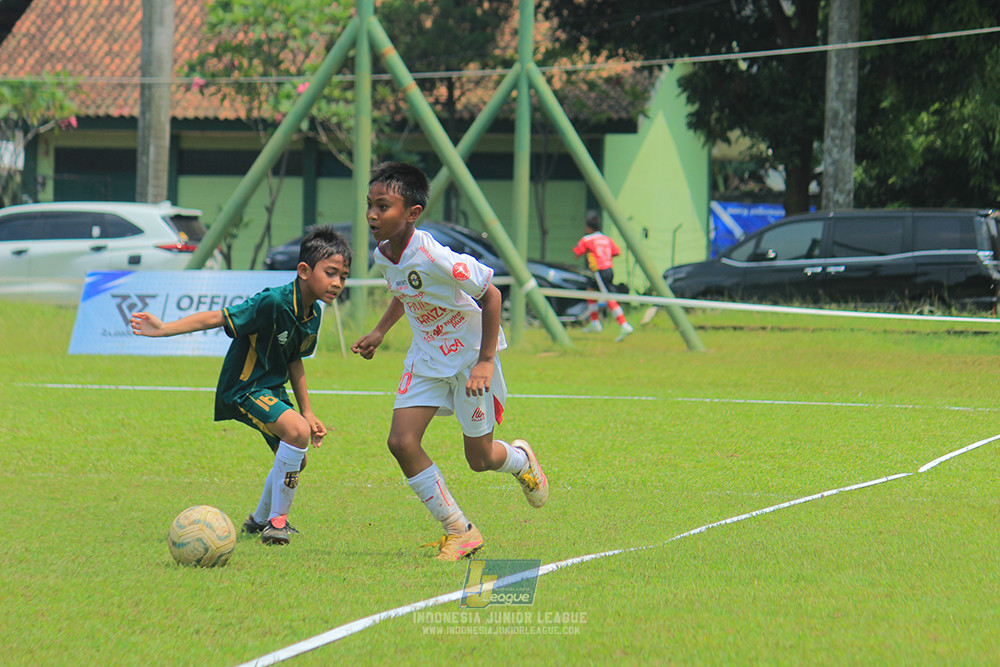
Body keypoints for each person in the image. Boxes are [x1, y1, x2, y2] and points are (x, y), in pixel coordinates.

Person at [351, 162, 548, 562]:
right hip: (426, 358)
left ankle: (520, 460)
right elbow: (404, 291)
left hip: (469, 361)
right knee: (401, 442)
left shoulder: (436, 256)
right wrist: (380, 331)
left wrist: (486, 362)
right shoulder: (383, 254)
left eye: (383, 206)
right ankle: (460, 530)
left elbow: (490, 296)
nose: (372, 215)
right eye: (369, 205)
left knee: (480, 459)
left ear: (412, 213)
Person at [130, 226, 352, 546]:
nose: (337, 283)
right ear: (304, 270)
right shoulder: (272, 301)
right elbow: (217, 317)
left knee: (297, 457)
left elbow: (294, 360)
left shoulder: (313, 312)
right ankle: (277, 524)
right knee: (297, 434)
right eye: (330, 273)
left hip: (272, 392)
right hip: (244, 389)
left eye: (343, 276)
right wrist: (164, 329)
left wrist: (308, 410)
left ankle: (259, 519)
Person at [572, 211, 634, 342]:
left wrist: (589, 254)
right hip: (609, 269)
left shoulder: (587, 239)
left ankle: (624, 324)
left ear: (588, 227)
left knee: (608, 297)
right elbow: (617, 252)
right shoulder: (606, 239)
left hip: (599, 271)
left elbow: (577, 253)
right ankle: (595, 322)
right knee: (590, 292)